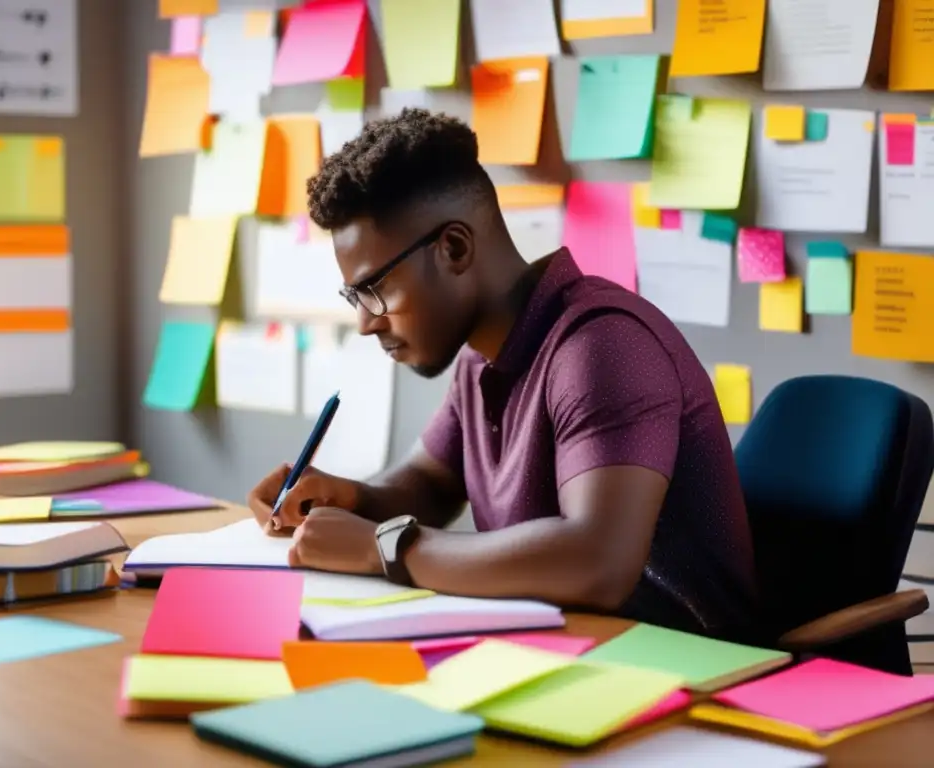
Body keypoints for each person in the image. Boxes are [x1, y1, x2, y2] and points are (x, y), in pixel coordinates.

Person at [248, 108, 759, 642]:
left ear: (454, 249)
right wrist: (345, 500)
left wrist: (385, 546)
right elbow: (429, 483)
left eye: (374, 289)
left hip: (694, 671)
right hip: (559, 653)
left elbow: (598, 561)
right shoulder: (480, 356)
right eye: (355, 296)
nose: (365, 321)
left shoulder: (601, 345)